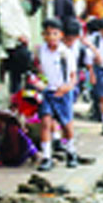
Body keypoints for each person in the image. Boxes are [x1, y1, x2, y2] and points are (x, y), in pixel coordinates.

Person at [32, 18, 78, 171]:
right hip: (47, 92)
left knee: (66, 125)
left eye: (55, 34)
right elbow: (37, 71)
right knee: (45, 123)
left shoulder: (65, 53)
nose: (51, 37)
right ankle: (46, 157)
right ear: (43, 35)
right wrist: (37, 82)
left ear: (61, 35)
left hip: (62, 92)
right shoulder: (40, 51)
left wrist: (67, 88)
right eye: (48, 34)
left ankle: (71, 151)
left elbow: (73, 76)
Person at [0, 0, 32, 94]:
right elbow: (5, 22)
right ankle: (16, 102)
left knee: (19, 77)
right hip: (14, 44)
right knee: (18, 76)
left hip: (18, 43)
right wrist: (18, 36)